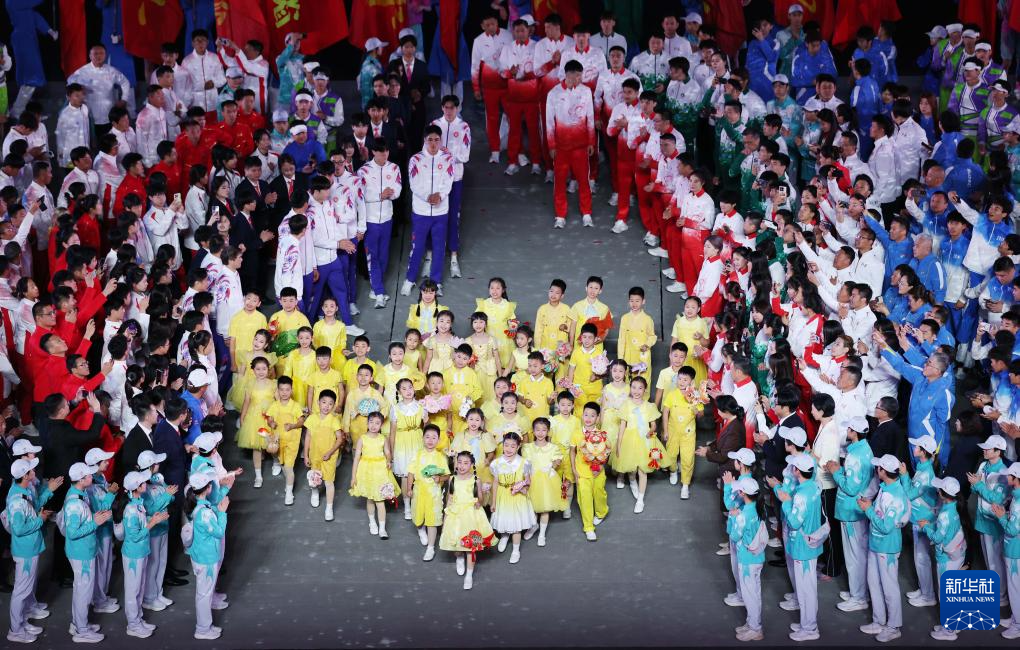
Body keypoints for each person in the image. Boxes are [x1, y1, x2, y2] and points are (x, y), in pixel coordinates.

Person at [859, 454, 911, 643]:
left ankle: (894, 626)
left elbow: (887, 527)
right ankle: (879, 621)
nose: (876, 470)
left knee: (889, 587)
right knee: (873, 582)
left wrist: (868, 510)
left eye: (878, 468)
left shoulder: (895, 495)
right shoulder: (885, 487)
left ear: (883, 471)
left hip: (887, 548)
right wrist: (869, 507)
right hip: (876, 544)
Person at [401, 125, 455, 296]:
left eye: (436, 140)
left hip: (440, 212)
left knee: (439, 248)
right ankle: (410, 279)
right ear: (424, 140)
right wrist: (428, 196)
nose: (433, 143)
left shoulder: (448, 159)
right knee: (417, 247)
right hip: (421, 212)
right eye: (430, 140)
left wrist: (440, 195)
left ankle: (436, 282)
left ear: (441, 141)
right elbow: (414, 183)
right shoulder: (415, 159)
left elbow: (448, 181)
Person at [774, 453, 823, 642]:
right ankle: (807, 623)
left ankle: (810, 628)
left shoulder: (802, 495)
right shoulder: (813, 486)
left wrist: (787, 502)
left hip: (803, 546)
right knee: (807, 587)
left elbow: (794, 522)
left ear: (796, 471)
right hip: (810, 543)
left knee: (806, 589)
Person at [62, 461, 113, 643]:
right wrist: (95, 523)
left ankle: (77, 624)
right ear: (81, 480)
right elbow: (72, 532)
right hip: (81, 552)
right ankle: (81, 631)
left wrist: (94, 518)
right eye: (89, 475)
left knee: (81, 590)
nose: (92, 476)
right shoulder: (74, 503)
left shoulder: (80, 494)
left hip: (84, 550)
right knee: (83, 592)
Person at [546, 59, 596, 229]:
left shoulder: (586, 91)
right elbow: (549, 122)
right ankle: (560, 215)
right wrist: (551, 145)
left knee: (584, 181)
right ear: (568, 75)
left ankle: (587, 213)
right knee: (560, 181)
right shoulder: (553, 93)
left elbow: (590, 117)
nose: (579, 79)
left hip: (580, 146)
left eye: (581, 76)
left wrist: (591, 141)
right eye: (577, 76)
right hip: (561, 147)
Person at [439, 450, 494, 589]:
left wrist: (479, 501)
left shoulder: (476, 480)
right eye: (460, 462)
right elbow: (449, 499)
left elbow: (480, 498)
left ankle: (469, 575)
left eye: (466, 463)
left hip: (471, 515)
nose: (462, 466)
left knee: (471, 547)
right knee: (457, 544)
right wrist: (446, 518)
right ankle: (459, 557)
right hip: (456, 515)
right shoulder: (452, 479)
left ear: (471, 465)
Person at [184, 471, 228, 640]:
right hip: (206, 557)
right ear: (208, 488)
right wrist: (222, 512)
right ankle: (203, 629)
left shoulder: (197, 506)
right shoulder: (204, 512)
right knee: (204, 594)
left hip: (199, 554)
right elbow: (219, 532)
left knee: (204, 593)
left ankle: (205, 626)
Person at [358, 141, 401, 308]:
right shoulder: (364, 171)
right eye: (381, 152)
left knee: (384, 255)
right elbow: (361, 195)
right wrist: (380, 195)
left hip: (387, 218)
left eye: (386, 152)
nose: (384, 155)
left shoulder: (394, 168)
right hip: (371, 220)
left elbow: (398, 189)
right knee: (373, 256)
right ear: (373, 152)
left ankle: (375, 287)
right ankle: (379, 292)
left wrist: (390, 194)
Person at [349, 411, 399, 539]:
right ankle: (372, 522)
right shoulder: (362, 439)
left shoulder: (383, 438)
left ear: (381, 425)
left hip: (380, 471)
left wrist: (389, 460)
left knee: (380, 499)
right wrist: (353, 476)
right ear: (367, 423)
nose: (373, 425)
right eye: (371, 422)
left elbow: (387, 452)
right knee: (370, 499)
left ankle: (382, 528)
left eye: (377, 423)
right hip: (366, 471)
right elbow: (356, 458)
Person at [406, 424, 449, 561]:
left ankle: (431, 548)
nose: (430, 440)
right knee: (418, 515)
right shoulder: (417, 454)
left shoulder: (440, 457)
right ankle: (420, 529)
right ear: (423, 438)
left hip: (434, 492)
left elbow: (447, 475)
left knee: (432, 520)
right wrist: (409, 488)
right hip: (419, 490)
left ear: (438, 440)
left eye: (434, 437)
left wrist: (439, 478)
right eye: (427, 437)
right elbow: (411, 472)